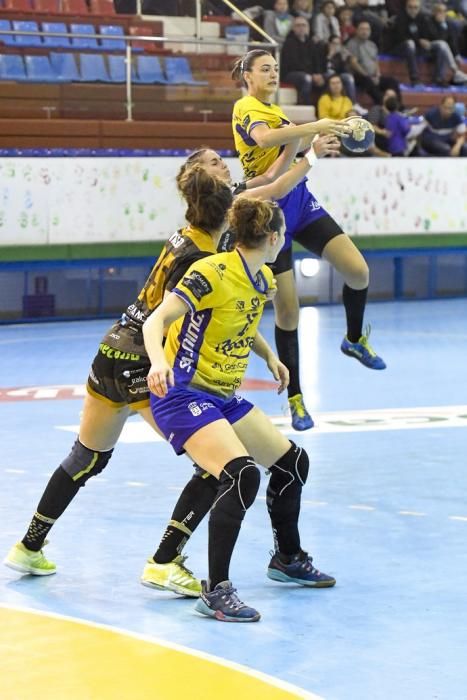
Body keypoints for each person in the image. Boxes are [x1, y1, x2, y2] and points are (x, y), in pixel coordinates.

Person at [4, 143, 338, 591]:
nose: (224, 166)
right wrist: (312, 143)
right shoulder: (206, 261)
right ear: (219, 198)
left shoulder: (195, 227)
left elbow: (271, 185)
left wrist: (309, 148)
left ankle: (29, 545)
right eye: (216, 164)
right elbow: (196, 312)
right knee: (215, 465)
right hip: (147, 360)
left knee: (87, 457)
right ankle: (164, 560)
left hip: (112, 350)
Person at [143, 195, 335, 622]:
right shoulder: (210, 272)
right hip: (183, 393)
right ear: (272, 237)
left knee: (291, 464)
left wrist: (269, 356)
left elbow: (242, 321)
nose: (284, 241)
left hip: (223, 395)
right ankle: (217, 590)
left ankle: (287, 559)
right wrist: (158, 362)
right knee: (241, 474)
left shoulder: (262, 277)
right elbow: (156, 320)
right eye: (283, 235)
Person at [232, 48, 386, 432]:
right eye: (264, 69)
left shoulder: (278, 113)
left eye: (275, 68)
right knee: (288, 312)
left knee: (358, 271)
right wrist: (316, 127)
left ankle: (353, 339)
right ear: (248, 76)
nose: (272, 74)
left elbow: (281, 163)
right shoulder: (246, 108)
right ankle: (296, 398)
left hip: (299, 199)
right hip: (269, 215)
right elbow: (266, 142)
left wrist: (323, 143)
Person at [346, 20, 401, 104]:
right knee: (368, 82)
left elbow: (375, 61)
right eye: (362, 29)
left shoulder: (372, 45)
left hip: (372, 75)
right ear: (357, 30)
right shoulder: (352, 44)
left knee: (392, 81)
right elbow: (353, 63)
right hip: (359, 76)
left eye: (367, 29)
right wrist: (368, 76)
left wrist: (377, 75)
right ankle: (385, 104)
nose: (365, 32)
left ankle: (400, 106)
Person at [280, 15, 327, 105]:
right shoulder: (289, 42)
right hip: (290, 74)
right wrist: (312, 75)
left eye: (304, 25)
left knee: (329, 78)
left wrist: (318, 74)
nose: (301, 28)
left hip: (308, 73)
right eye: (298, 25)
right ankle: (305, 105)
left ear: (308, 28)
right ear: (293, 28)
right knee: (307, 78)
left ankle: (322, 107)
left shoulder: (311, 42)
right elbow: (294, 64)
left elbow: (316, 61)